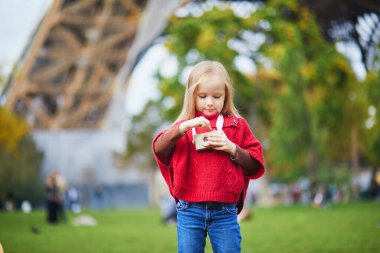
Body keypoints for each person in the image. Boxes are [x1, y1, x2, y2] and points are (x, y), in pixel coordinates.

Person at [152, 60, 265, 253]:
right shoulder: (184, 127)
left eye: (217, 96)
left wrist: (232, 148)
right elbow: (159, 149)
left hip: (225, 211)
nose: (210, 102)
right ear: (192, 97)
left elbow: (255, 165)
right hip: (189, 209)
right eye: (203, 96)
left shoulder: (237, 126)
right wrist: (182, 127)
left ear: (226, 96)